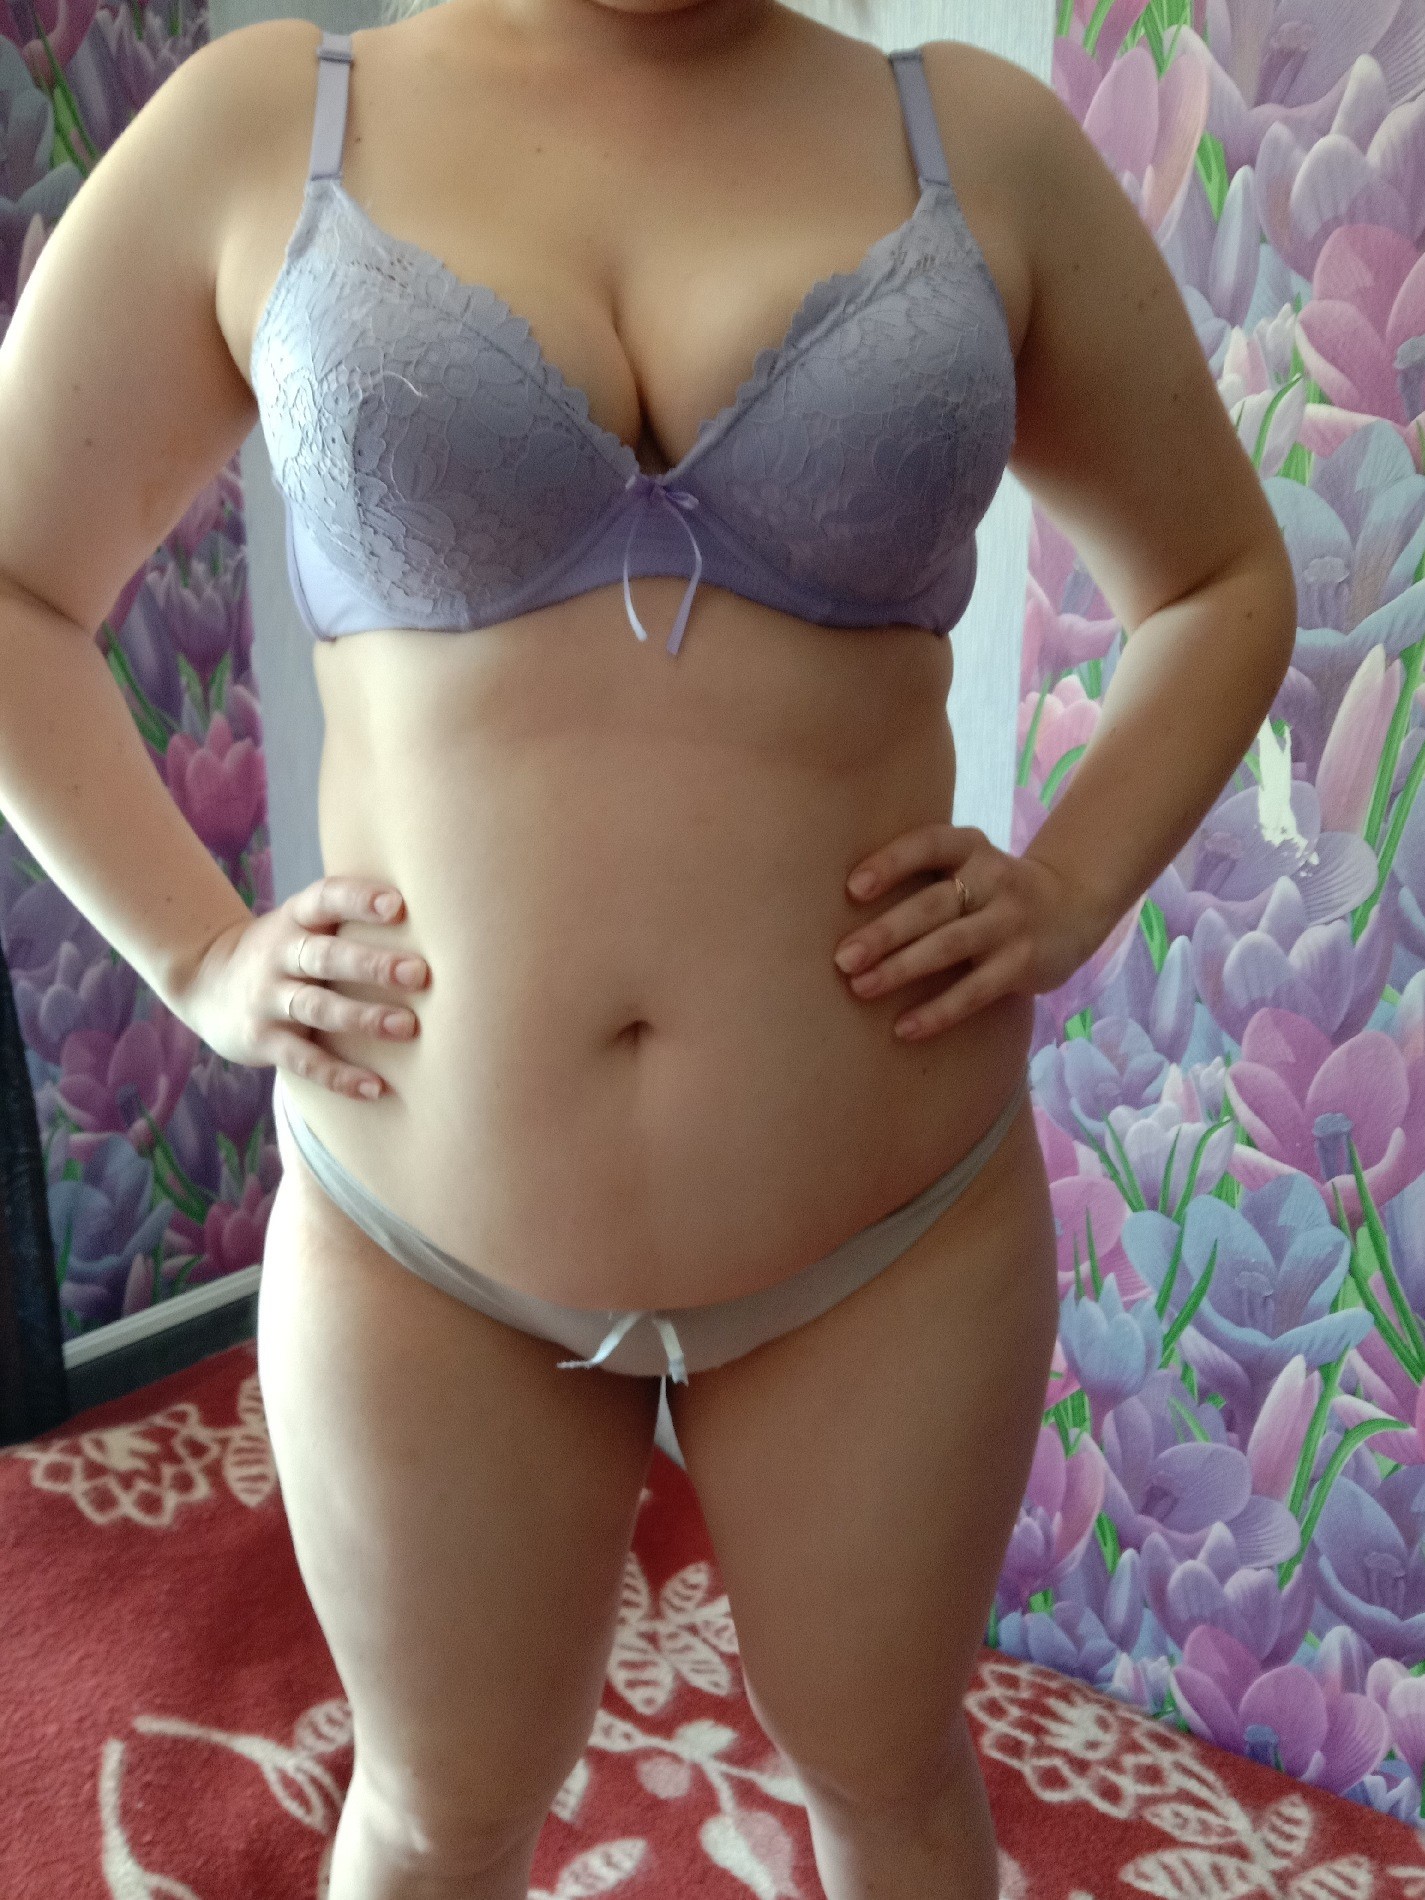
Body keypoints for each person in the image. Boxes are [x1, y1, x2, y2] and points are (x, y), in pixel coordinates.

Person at [0, 0, 1297, 1894]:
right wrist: (193, 956)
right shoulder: (267, 123)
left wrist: (1074, 884)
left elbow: (1217, 577)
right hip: (422, 1234)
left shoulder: (976, 147)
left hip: (889, 1224)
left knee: (888, 1781)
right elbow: (15, 581)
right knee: (435, 1816)